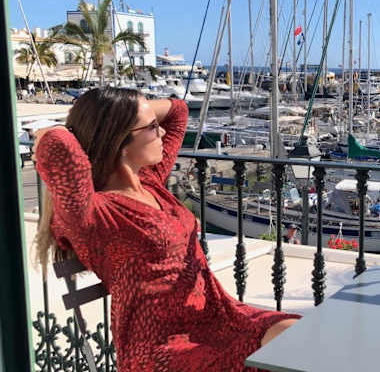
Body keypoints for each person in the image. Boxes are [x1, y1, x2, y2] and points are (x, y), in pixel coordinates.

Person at [33, 88, 299, 372]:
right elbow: (57, 145)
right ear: (119, 140)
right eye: (151, 127)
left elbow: (178, 111)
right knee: (286, 354)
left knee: (297, 335)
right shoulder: (95, 214)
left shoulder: (149, 182)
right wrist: (63, 128)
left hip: (217, 317)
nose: (161, 132)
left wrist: (132, 109)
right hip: (162, 348)